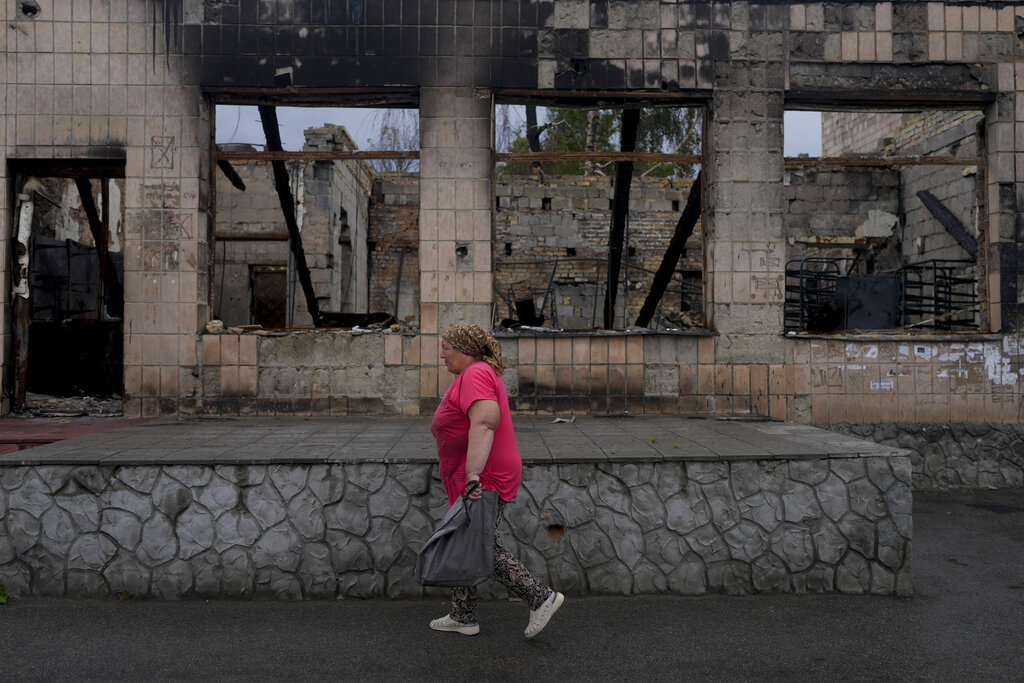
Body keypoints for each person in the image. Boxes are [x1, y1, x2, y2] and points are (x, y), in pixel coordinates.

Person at [428, 322, 564, 638]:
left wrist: (473, 474)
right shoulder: (476, 373)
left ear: (464, 350)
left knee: (478, 544)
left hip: (483, 476)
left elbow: (486, 422)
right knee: (466, 540)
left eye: (446, 348)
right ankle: (463, 615)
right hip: (477, 474)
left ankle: (540, 597)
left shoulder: (475, 374)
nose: (441, 355)